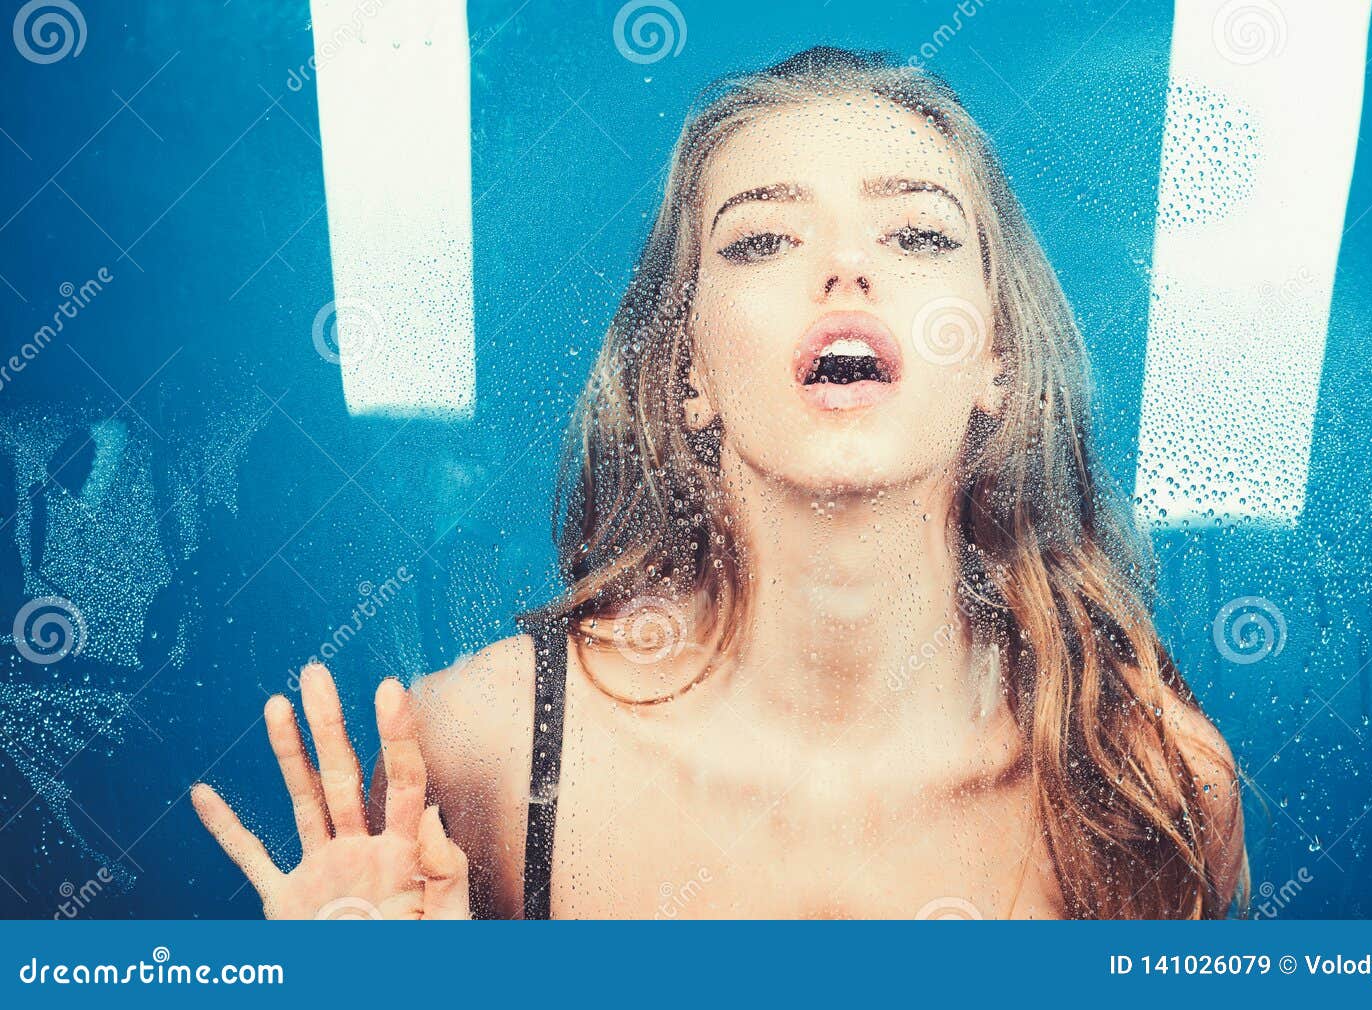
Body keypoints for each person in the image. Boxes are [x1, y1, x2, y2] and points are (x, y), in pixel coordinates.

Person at [192, 46, 1245, 920]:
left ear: (996, 360)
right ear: (689, 371)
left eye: (917, 232)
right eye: (762, 239)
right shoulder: (477, 752)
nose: (845, 269)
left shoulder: (1151, 784)